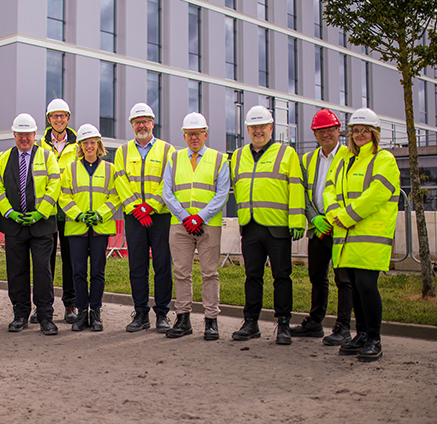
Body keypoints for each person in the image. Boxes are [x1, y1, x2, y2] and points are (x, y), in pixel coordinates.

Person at [324, 108, 399, 362]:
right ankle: (362, 334)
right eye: (355, 131)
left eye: (365, 130)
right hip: (347, 237)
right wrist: (334, 213)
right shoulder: (346, 160)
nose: (359, 135)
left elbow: (376, 195)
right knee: (355, 287)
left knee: (367, 286)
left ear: (374, 133)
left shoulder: (384, 159)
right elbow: (329, 188)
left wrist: (345, 217)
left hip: (370, 235)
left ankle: (375, 338)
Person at [230, 105, 306, 345]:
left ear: (271, 128)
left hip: (277, 227)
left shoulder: (287, 153)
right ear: (247, 130)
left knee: (282, 276)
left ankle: (283, 323)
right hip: (250, 225)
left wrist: (296, 220)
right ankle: (251, 322)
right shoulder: (238, 154)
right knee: (252, 276)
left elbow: (295, 187)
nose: (258, 131)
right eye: (253, 127)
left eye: (262, 126)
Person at [0, 113, 62, 335]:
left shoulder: (47, 156)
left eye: (28, 134)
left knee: (43, 271)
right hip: (14, 225)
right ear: (14, 135)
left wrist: (41, 213)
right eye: (20, 134)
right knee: (16, 272)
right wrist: (9, 211)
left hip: (41, 226)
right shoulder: (2, 158)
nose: (24, 138)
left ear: (34, 135)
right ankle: (20, 314)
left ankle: (45, 317)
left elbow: (54, 185)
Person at [162, 113, 230, 340]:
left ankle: (211, 321)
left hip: (208, 225)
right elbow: (167, 192)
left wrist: (199, 217)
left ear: (205, 134)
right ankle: (183, 319)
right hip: (181, 225)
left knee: (209, 273)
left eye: (198, 134)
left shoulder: (219, 159)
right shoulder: (174, 158)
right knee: (181, 273)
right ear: (184, 135)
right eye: (190, 134)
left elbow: (222, 194)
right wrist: (185, 217)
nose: (193, 138)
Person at [290, 109, 353, 346]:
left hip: (341, 227)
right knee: (317, 276)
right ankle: (315, 322)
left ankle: (343, 326)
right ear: (314, 134)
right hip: (318, 227)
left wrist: (335, 218)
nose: (326, 134)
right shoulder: (307, 159)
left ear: (338, 131)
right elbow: (303, 193)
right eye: (321, 131)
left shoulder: (349, 156)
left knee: (343, 279)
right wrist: (314, 217)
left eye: (330, 129)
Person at [113, 102, 175, 333]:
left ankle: (162, 313)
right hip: (134, 217)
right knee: (136, 266)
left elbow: (169, 183)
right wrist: (136, 208)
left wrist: (150, 207)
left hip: (159, 216)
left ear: (152, 122)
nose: (141, 125)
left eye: (145, 121)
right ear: (131, 125)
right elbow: (120, 181)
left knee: (162, 265)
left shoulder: (167, 150)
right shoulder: (122, 151)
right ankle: (140, 313)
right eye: (137, 122)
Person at [58, 124, 120, 332]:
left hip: (100, 228)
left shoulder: (110, 169)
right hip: (77, 228)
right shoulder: (70, 169)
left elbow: (115, 196)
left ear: (99, 144)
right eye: (85, 143)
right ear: (80, 146)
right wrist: (79, 214)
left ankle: (96, 313)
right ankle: (82, 312)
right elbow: (64, 196)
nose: (89, 146)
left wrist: (100, 213)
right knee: (78, 272)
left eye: (93, 142)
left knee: (97, 273)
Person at [37, 98, 78, 324]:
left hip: (70, 210)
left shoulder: (79, 145)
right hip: (47, 210)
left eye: (63, 116)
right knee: (45, 261)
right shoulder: (39, 145)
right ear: (48, 119)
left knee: (71, 260)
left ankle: (71, 304)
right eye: (55, 116)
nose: (59, 120)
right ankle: (44, 306)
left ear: (68, 118)